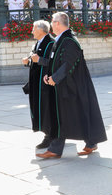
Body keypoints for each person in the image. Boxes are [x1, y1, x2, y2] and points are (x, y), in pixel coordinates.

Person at [37, 12, 107, 159]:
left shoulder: (69, 40)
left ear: (58, 23)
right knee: (72, 114)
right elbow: (55, 60)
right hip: (65, 85)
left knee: (68, 114)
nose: (50, 24)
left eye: (52, 21)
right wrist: (48, 75)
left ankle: (57, 149)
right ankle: (90, 142)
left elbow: (68, 64)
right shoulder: (60, 39)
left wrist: (55, 78)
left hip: (74, 86)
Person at [22, 20, 55, 148]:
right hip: (37, 84)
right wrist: (28, 62)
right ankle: (48, 133)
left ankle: (50, 136)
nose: (31, 31)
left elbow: (54, 63)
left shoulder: (51, 43)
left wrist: (39, 60)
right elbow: (34, 61)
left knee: (46, 109)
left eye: (33, 29)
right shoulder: (37, 43)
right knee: (39, 109)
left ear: (41, 30)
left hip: (46, 85)